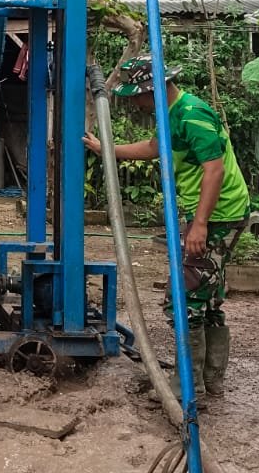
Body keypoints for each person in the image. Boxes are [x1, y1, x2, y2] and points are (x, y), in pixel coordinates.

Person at [83, 55, 250, 401]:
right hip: (212, 214)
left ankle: (187, 387)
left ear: (153, 90)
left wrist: (200, 224)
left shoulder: (192, 115)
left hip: (219, 216)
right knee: (205, 297)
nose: (135, 104)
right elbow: (154, 147)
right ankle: (208, 380)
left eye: (137, 97)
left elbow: (214, 170)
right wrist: (106, 149)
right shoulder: (172, 114)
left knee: (184, 299)